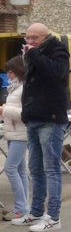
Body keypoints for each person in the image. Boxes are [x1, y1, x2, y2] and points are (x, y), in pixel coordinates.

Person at [12, 23, 69, 232]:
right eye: (27, 38)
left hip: (51, 118)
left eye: (34, 38)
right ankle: (36, 211)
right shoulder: (34, 54)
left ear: (46, 37)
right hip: (34, 117)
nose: (30, 42)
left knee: (51, 168)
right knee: (35, 168)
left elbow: (56, 73)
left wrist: (34, 54)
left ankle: (53, 216)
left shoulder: (59, 51)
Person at [2, 56, 29, 221]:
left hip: (21, 132)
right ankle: (24, 206)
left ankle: (21, 207)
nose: (9, 75)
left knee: (10, 168)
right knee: (19, 170)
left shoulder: (24, 88)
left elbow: (25, 114)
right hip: (13, 132)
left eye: (11, 71)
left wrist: (4, 110)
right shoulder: (15, 87)